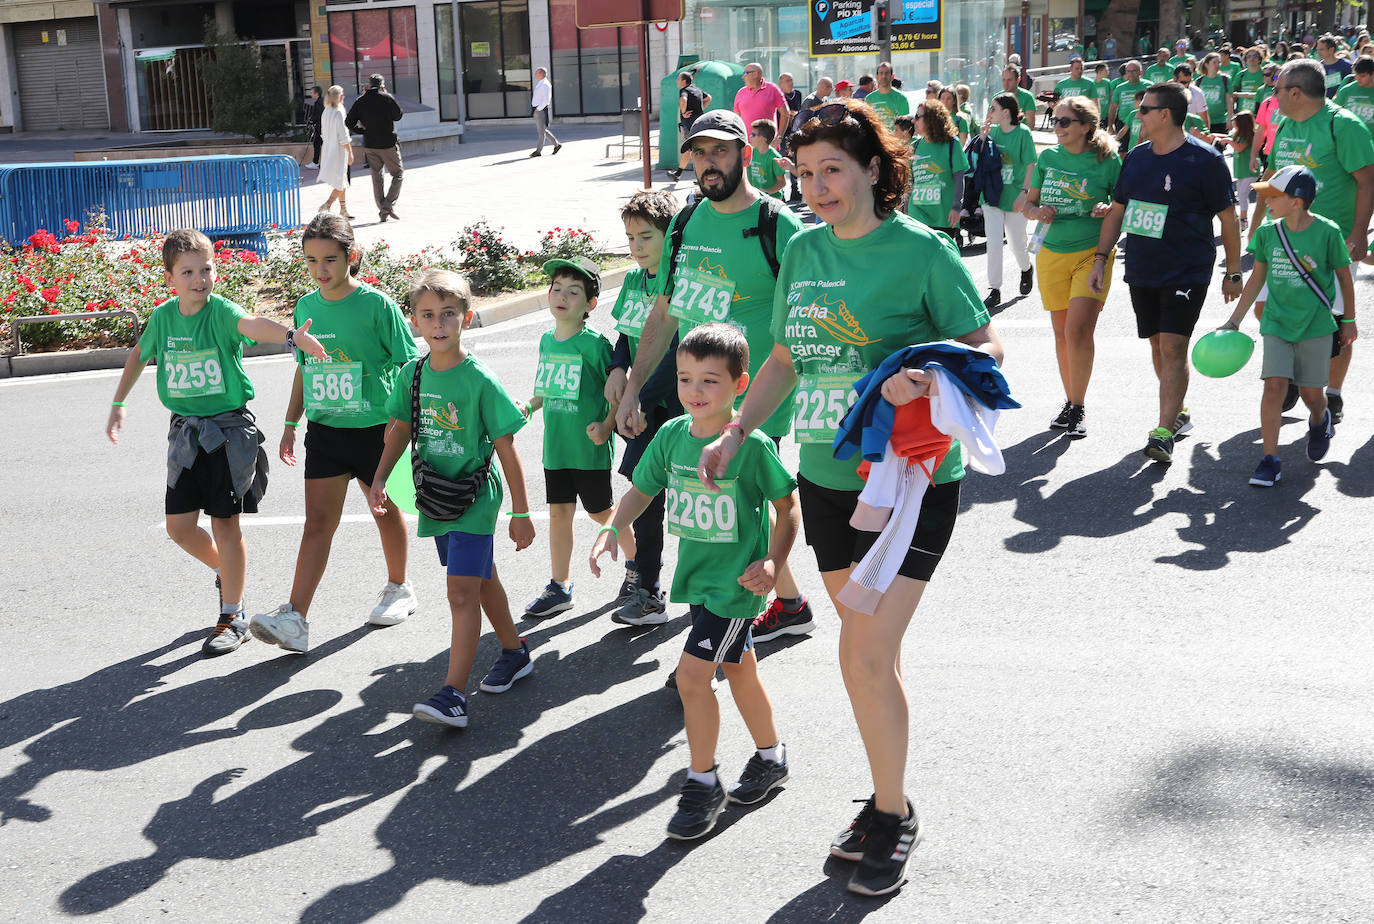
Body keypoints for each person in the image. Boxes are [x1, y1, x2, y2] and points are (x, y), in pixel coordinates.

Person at [696, 98, 1003, 896]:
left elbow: (986, 350)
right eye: (804, 172)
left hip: (909, 484)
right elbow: (783, 363)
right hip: (826, 480)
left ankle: (893, 815)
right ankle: (885, 797)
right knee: (872, 656)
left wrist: (924, 374)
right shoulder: (801, 251)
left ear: (874, 169)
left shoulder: (922, 251)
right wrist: (734, 432)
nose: (818, 185)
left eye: (833, 168)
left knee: (862, 655)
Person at [614, 109, 816, 644]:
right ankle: (789, 604)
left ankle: (716, 644)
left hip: (759, 393)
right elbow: (665, 312)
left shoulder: (778, 223)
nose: (708, 163)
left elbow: (812, 309)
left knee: (726, 511)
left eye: (719, 151)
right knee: (732, 505)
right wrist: (632, 388)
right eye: (699, 153)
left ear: (744, 154)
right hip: (701, 392)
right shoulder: (685, 222)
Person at [592, 323, 798, 840]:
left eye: (710, 380)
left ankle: (702, 781)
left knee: (690, 679)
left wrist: (773, 563)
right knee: (741, 670)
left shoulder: (751, 446)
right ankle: (772, 756)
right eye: (685, 379)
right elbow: (642, 490)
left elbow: (788, 507)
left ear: (740, 384)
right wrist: (614, 527)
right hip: (699, 581)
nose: (694, 392)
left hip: (735, 587)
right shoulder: (670, 436)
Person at [105, 229, 325, 656]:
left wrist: (289, 335)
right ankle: (229, 572)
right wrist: (118, 401)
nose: (199, 279)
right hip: (186, 432)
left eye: (205, 269)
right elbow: (139, 353)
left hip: (227, 434)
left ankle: (233, 614)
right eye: (187, 272)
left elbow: (251, 324)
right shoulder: (164, 317)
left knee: (226, 523)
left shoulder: (221, 311)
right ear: (170, 277)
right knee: (179, 527)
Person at [369, 270, 536, 728]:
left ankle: (454, 694)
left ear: (467, 316)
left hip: (475, 499)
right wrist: (380, 478)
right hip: (435, 496)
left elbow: (507, 448)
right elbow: (399, 430)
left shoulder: (479, 379)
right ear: (414, 322)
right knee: (480, 582)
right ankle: (515, 651)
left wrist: (521, 512)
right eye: (427, 315)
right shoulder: (413, 374)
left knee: (460, 593)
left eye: (448, 313)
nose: (438, 323)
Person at [248, 213, 420, 653]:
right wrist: (290, 423)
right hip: (325, 430)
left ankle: (399, 587)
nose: (320, 269)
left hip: (377, 430)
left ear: (351, 257)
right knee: (317, 525)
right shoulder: (306, 307)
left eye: (329, 259)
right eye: (311, 261)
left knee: (385, 511)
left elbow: (408, 367)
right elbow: (305, 371)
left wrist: (402, 424)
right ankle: (296, 619)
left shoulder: (377, 305)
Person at [1088, 80, 1243, 463]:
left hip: (1187, 267)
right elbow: (1119, 210)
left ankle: (1162, 432)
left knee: (1174, 345)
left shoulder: (1205, 160)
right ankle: (1178, 411)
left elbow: (1229, 219)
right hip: (1143, 264)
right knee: (1157, 344)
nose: (1136, 115)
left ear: (1165, 114)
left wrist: (1234, 272)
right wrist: (1100, 258)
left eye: (1143, 109)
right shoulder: (1137, 157)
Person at [1218, 166, 1356, 486]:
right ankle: (1270, 459)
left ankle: (1320, 421)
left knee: (1311, 394)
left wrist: (1348, 321)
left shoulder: (1327, 232)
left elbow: (1345, 280)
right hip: (1277, 323)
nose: (1264, 200)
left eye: (1273, 196)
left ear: (1296, 201)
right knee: (1274, 387)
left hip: (1317, 325)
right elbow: (1257, 279)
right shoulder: (1268, 233)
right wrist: (1234, 320)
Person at [1252, 58, 1374, 421]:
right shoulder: (1286, 123)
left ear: (1295, 92)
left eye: (1276, 89)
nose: (1272, 95)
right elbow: (1272, 175)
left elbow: (1368, 181)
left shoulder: (1344, 126)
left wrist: (1358, 234)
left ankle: (1332, 394)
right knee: (1266, 308)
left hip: (1329, 240)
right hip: (1281, 237)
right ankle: (1291, 376)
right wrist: (1255, 225)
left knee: (1334, 324)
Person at [521, 257, 623, 618]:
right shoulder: (547, 340)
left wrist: (607, 425)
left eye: (573, 292)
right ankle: (559, 585)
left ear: (590, 304)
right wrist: (527, 407)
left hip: (588, 448)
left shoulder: (596, 345)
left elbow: (619, 392)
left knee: (602, 513)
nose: (561, 297)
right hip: (556, 448)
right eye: (556, 289)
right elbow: (544, 389)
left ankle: (640, 568)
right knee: (559, 513)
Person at [605, 190, 682, 625]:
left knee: (672, 497)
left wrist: (637, 400)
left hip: (668, 405)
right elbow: (625, 335)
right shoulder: (635, 280)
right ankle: (647, 584)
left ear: (671, 235)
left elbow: (672, 352)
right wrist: (619, 368)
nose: (636, 246)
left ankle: (656, 583)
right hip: (640, 403)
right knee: (645, 492)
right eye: (630, 237)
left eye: (646, 237)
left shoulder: (681, 280)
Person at [1025, 95, 1122, 438]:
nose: (1057, 126)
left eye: (1065, 121)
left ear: (1085, 126)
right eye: (1055, 120)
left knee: (1078, 331)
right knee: (1062, 334)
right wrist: (1036, 212)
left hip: (1091, 252)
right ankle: (1069, 400)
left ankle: (1078, 407)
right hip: (1050, 251)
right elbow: (1027, 203)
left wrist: (1106, 206)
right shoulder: (1048, 157)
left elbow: (1122, 205)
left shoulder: (1108, 161)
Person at [979, 93, 1037, 309]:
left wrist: (1024, 192)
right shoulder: (990, 131)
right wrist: (982, 139)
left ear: (1006, 112)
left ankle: (1026, 268)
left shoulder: (1023, 133)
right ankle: (994, 289)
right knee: (993, 242)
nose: (989, 113)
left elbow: (1031, 164)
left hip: (1014, 196)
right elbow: (980, 160)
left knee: (1017, 245)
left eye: (993, 108)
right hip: (992, 196)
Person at [345, 74, 404, 222]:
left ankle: (383, 209)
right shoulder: (387, 98)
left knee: (377, 177)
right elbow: (398, 116)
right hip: (387, 143)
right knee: (398, 174)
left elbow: (348, 122)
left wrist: (363, 131)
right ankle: (387, 205)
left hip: (370, 143)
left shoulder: (361, 100)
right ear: (382, 84)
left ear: (369, 85)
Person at [906, 100, 967, 241]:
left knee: (942, 259)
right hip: (918, 213)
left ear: (931, 119)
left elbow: (959, 178)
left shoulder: (952, 144)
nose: (914, 120)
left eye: (917, 116)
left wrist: (957, 207)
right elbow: (910, 181)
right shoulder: (914, 146)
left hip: (943, 215)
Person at [315, 86, 354, 218]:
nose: (344, 96)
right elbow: (343, 135)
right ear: (338, 96)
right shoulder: (338, 112)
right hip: (339, 150)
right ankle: (327, 204)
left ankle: (343, 209)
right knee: (341, 180)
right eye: (342, 94)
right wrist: (350, 152)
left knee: (341, 179)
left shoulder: (326, 111)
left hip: (329, 148)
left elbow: (323, 134)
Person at [671, 72, 711, 180]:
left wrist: (684, 112)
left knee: (693, 150)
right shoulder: (697, 89)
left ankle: (701, 176)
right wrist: (700, 109)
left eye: (678, 79)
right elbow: (708, 98)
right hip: (699, 122)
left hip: (689, 125)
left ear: (684, 81)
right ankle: (678, 174)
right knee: (690, 149)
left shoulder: (684, 90)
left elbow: (683, 100)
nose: (677, 81)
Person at [733, 63, 788, 136]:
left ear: (755, 74)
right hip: (746, 143)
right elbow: (736, 118)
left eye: (745, 73)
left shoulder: (772, 89)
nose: (743, 77)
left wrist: (779, 137)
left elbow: (785, 113)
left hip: (767, 144)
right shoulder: (741, 92)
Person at [747, 119, 790, 199]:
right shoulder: (751, 152)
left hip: (773, 199)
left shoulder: (774, 157)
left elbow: (782, 182)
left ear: (763, 139)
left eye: (753, 134)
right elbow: (748, 174)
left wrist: (767, 192)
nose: (750, 136)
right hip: (756, 197)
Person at [1231, 111, 1260, 229]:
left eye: (1236, 121)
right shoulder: (1237, 134)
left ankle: (1243, 220)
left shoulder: (1250, 135)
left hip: (1251, 171)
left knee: (1242, 194)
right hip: (1241, 171)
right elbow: (1227, 137)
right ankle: (1243, 219)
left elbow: (1239, 148)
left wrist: (1228, 141)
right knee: (1242, 195)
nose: (1233, 123)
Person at [777, 72, 803, 199]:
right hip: (782, 131)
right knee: (781, 160)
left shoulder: (797, 94)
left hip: (794, 131)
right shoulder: (779, 96)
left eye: (791, 80)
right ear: (781, 83)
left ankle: (795, 189)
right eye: (787, 81)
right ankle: (780, 191)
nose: (790, 83)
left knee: (794, 159)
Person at [865, 62, 910, 132]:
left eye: (887, 73)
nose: (884, 76)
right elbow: (867, 124)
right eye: (881, 73)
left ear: (892, 76)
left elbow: (905, 127)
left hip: (894, 141)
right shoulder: (869, 99)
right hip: (876, 141)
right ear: (876, 76)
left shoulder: (901, 98)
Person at [1197, 52, 1235, 134]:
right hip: (1204, 121)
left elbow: (1229, 101)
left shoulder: (1225, 79)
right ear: (1207, 64)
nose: (1217, 65)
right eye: (1214, 62)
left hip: (1221, 121)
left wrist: (1230, 119)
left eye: (1219, 62)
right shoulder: (1199, 81)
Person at [1334, 56, 1374, 134]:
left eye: (1363, 76)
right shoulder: (1347, 90)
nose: (1358, 78)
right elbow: (1332, 112)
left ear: (1372, 74)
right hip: (1350, 139)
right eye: (1356, 75)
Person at [530, 67, 562, 158]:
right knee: (542, 130)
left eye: (536, 73)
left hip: (540, 110)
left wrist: (538, 109)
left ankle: (538, 151)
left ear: (541, 74)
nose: (535, 74)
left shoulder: (545, 84)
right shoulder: (541, 83)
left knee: (541, 132)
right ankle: (557, 145)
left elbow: (546, 100)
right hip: (537, 109)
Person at [1108, 60, 1147, 130]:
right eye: (1128, 71)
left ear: (1140, 72)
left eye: (1134, 71)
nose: (1131, 74)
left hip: (1142, 123)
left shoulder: (1148, 86)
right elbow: (1113, 107)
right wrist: (1110, 125)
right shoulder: (1120, 88)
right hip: (1123, 123)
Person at [1235, 47, 1268, 113]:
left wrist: (1275, 76)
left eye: (1255, 56)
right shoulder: (1241, 75)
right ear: (1245, 60)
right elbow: (1233, 93)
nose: (1252, 58)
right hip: (1242, 112)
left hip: (1260, 112)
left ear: (1260, 59)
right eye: (1249, 56)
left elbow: (1276, 80)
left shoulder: (1266, 73)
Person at [305, 86, 323, 168]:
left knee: (317, 144)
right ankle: (316, 162)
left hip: (320, 128)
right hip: (321, 127)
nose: (311, 94)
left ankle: (316, 163)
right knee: (318, 144)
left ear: (316, 93)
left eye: (312, 92)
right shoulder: (320, 101)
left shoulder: (319, 103)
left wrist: (311, 120)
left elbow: (318, 115)